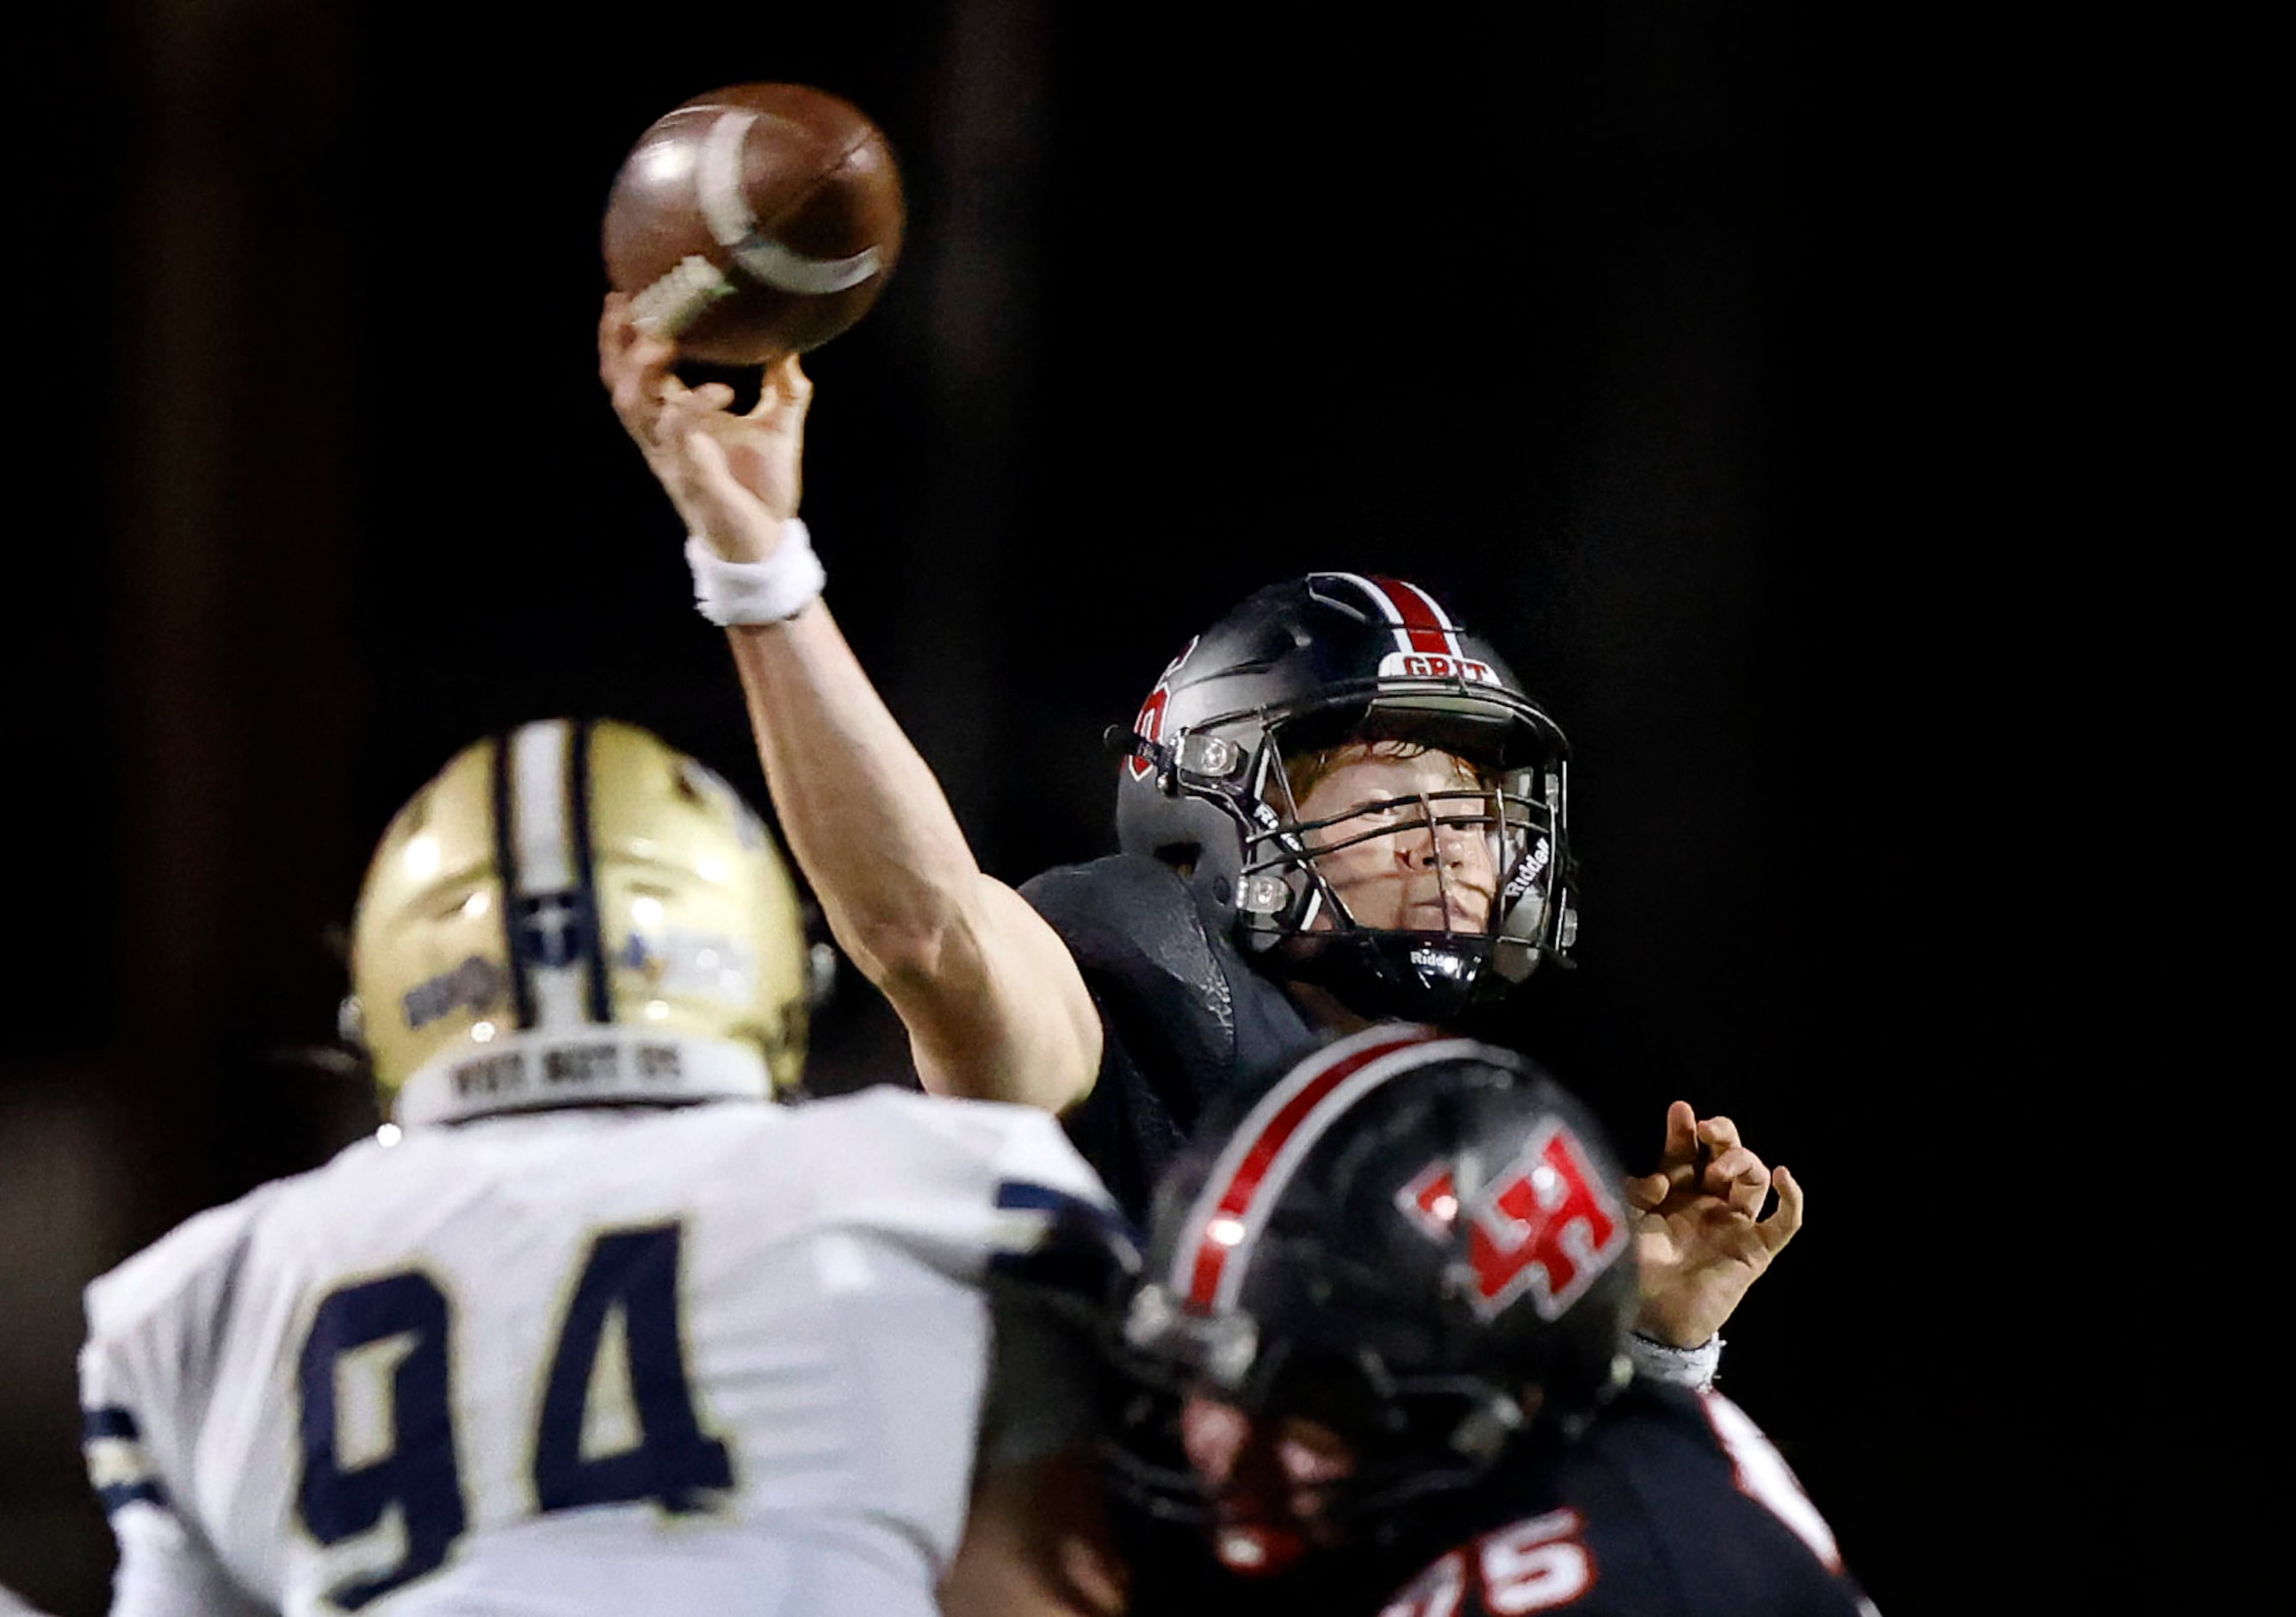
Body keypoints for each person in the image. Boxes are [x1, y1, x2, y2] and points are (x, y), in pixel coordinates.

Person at [597, 304, 1799, 1390]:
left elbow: (1517, 1533)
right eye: (1395, 780)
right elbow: (927, 928)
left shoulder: (1448, 1122)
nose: (1452, 833)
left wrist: (1657, 1342)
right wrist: (762, 571)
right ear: (1220, 796)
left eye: (1475, 794)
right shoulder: (1147, 985)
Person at [76, 718, 1129, 1617]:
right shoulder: (949, 1183)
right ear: (765, 966)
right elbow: (1049, 1580)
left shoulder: (195, 1297)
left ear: (390, 1004)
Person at [1105, 1023, 1877, 1616]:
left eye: (1317, 1395)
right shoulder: (1547, 1452)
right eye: (1201, 1364)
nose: (1214, 1441)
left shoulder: (1629, 1568)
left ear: (1495, 1398)